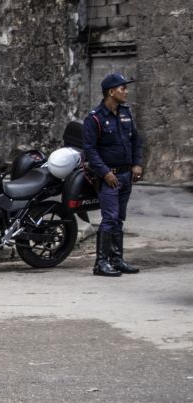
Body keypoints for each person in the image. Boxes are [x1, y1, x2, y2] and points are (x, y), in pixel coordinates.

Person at [82, 72, 144, 277]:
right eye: (122, 88)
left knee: (119, 219)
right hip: (109, 177)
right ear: (111, 92)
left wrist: (137, 164)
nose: (126, 91)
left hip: (126, 175)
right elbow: (89, 149)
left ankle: (116, 259)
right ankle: (100, 263)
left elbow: (136, 140)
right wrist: (105, 172)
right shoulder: (95, 118)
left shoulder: (126, 113)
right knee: (110, 218)